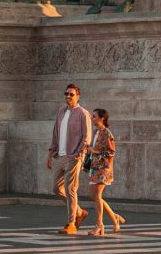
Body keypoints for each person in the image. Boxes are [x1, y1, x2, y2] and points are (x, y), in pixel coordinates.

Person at [46, 84, 92, 235]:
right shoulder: (61, 111)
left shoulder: (83, 113)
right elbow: (55, 133)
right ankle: (79, 212)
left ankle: (71, 223)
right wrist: (50, 154)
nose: (68, 96)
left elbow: (87, 136)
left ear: (78, 96)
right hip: (59, 155)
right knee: (55, 188)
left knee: (70, 189)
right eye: (66, 94)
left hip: (74, 156)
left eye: (71, 94)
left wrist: (80, 153)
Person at [86, 108, 126, 236]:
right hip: (94, 167)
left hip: (103, 168)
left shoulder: (107, 133)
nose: (92, 118)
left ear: (102, 118)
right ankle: (114, 218)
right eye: (92, 116)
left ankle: (99, 225)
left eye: (94, 116)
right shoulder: (95, 132)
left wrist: (94, 151)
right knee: (95, 196)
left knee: (97, 195)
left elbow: (111, 152)